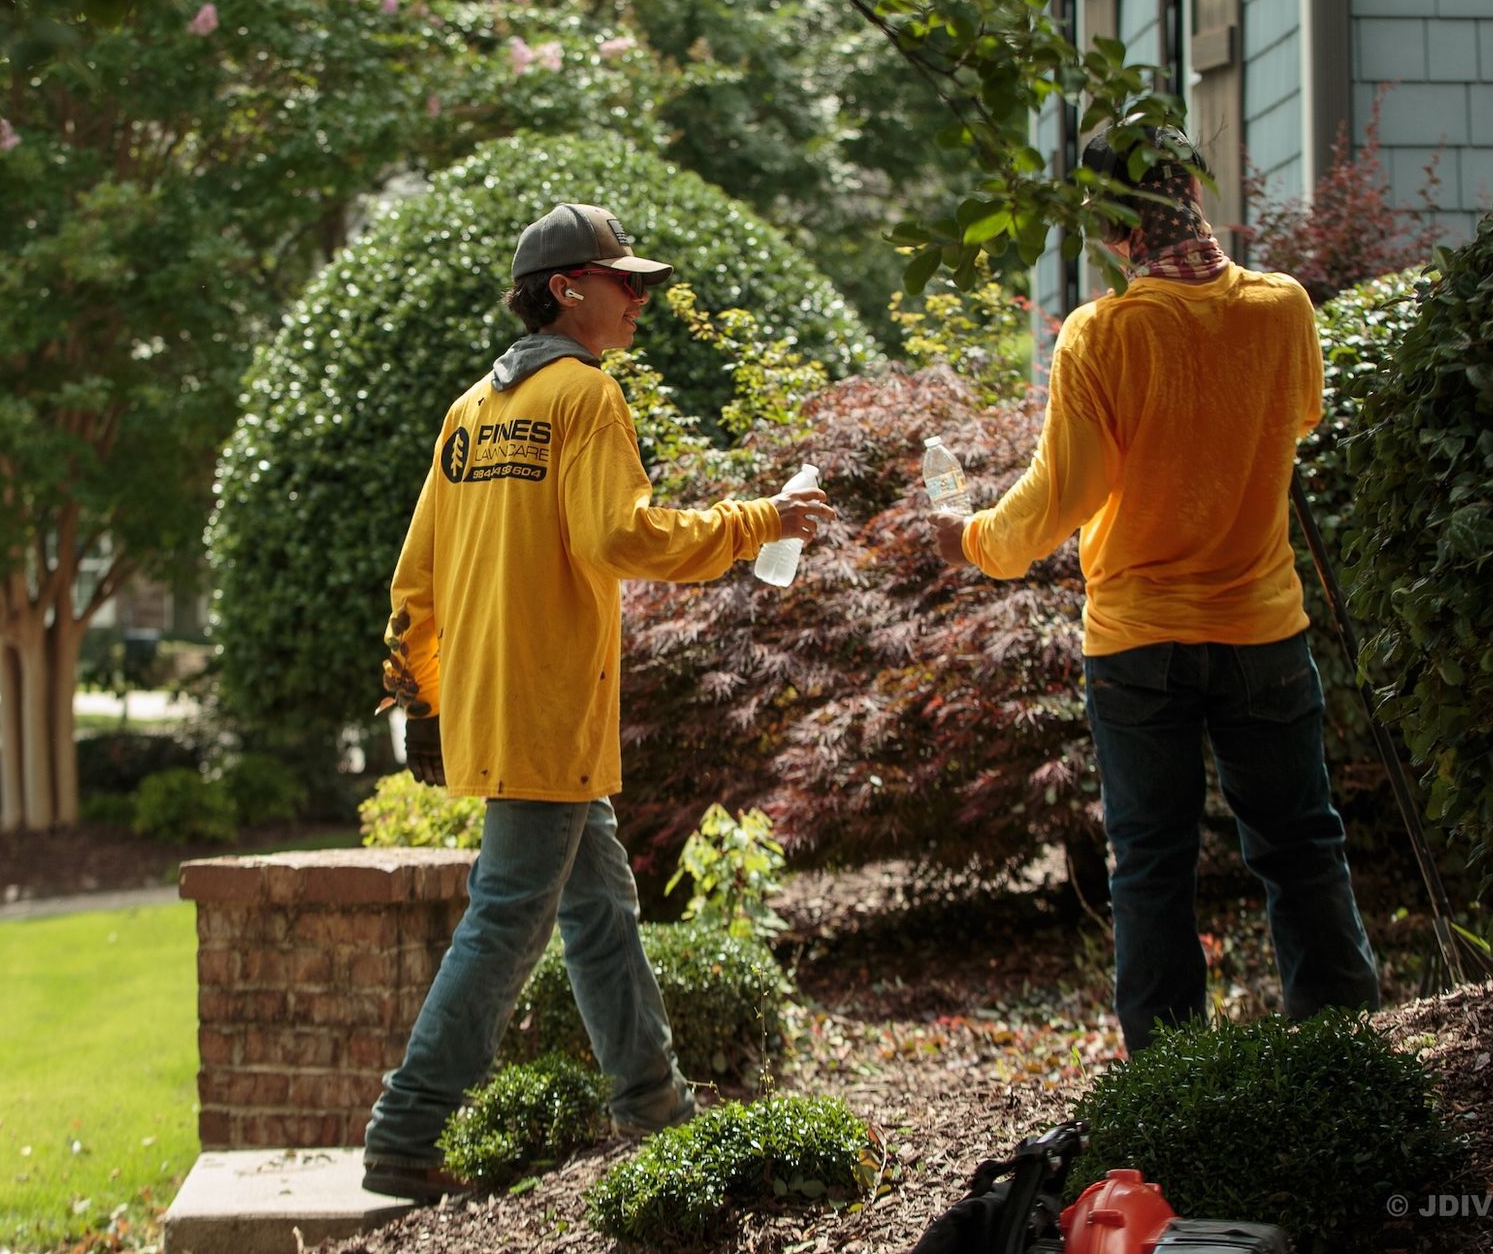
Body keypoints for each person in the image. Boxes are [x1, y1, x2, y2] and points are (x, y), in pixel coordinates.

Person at [362, 201, 834, 1201]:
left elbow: (417, 580)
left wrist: (430, 702)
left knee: (602, 908)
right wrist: (762, 521)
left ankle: (652, 1101)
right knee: (507, 921)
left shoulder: (470, 412)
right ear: (567, 290)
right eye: (627, 283)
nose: (641, 301)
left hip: (506, 707)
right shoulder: (583, 398)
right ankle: (406, 1130)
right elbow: (619, 540)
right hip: (548, 711)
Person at [931, 126, 1379, 1052]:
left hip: (1139, 643)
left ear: (1112, 226)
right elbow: (1296, 417)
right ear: (1194, 193)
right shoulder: (1284, 306)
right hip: (1264, 628)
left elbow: (1064, 496)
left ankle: (1172, 1086)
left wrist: (971, 538)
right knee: (1300, 848)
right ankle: (1344, 1063)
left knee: (1151, 868)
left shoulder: (1105, 333)